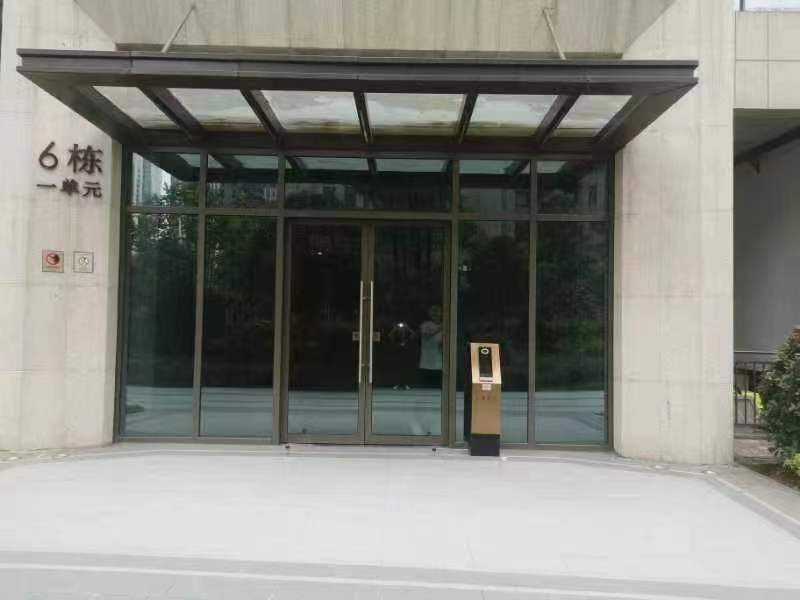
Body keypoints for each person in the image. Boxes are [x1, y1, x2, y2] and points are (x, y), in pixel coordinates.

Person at [418, 305, 443, 389]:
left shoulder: (446, 327)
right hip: (426, 364)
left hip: (440, 365)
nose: (435, 313)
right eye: (433, 311)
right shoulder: (425, 325)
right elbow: (427, 334)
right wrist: (441, 327)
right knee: (426, 390)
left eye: (437, 311)